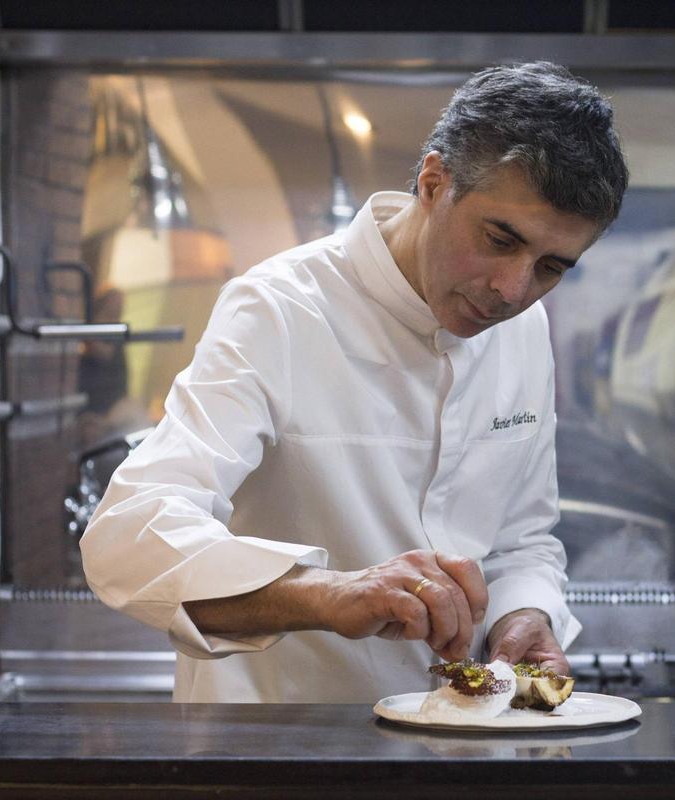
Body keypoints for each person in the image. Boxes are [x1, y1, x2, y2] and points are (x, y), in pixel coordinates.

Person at [80, 62, 629, 703]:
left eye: (551, 267)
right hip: (276, 740)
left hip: (462, 740)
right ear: (433, 183)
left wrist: (523, 614)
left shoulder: (524, 329)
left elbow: (521, 538)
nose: (513, 289)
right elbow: (129, 534)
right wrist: (329, 593)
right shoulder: (279, 308)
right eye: (500, 239)